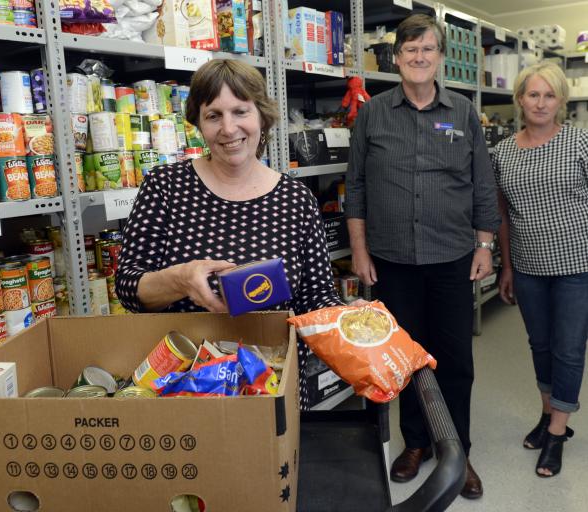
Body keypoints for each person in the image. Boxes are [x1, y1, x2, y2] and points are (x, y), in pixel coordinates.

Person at [115, 59, 342, 410]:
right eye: (214, 115)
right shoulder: (165, 187)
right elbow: (128, 287)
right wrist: (179, 279)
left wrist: (353, 321)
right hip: (183, 388)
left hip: (271, 384)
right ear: (198, 124)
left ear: (262, 117)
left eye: (240, 111)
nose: (229, 128)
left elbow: (316, 297)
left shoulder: (296, 199)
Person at [345, 14, 500, 499]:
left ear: (440, 57)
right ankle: (416, 442)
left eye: (427, 49)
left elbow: (481, 184)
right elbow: (356, 185)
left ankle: (459, 452)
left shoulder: (462, 113)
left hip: (453, 255)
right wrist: (359, 249)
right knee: (404, 358)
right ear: (395, 58)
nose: (418, 57)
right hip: (392, 259)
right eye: (410, 50)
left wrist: (485, 246)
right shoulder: (373, 113)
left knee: (454, 360)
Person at [492, 61, 588, 477]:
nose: (541, 102)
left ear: (561, 101)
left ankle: (556, 432)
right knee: (541, 346)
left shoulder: (581, 142)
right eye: (533, 94)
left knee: (568, 350)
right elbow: (503, 217)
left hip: (577, 266)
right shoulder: (502, 153)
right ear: (519, 99)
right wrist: (507, 268)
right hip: (529, 267)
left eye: (550, 95)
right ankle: (549, 414)